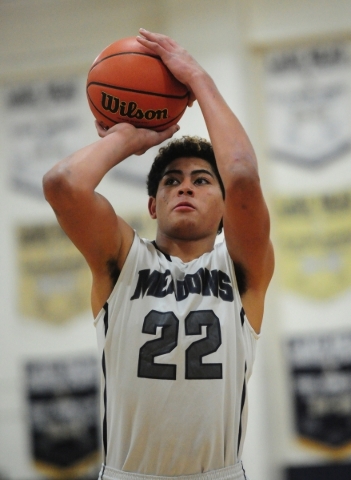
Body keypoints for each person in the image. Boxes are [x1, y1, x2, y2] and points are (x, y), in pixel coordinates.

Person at [43, 29, 274, 480]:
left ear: (227, 207)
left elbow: (243, 174)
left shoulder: (242, 268)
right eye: (171, 180)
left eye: (202, 180)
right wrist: (128, 138)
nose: (185, 185)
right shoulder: (123, 260)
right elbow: (63, 184)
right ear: (153, 205)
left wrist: (197, 78)